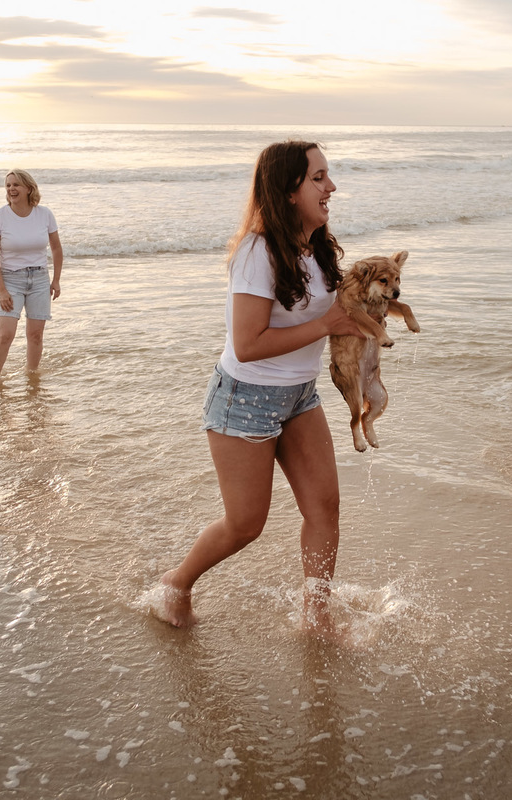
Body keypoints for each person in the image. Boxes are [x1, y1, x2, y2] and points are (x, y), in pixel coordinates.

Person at [158, 141, 364, 631]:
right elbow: (248, 343)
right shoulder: (258, 251)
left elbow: (333, 313)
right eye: (318, 178)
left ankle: (316, 616)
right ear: (288, 190)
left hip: (298, 395)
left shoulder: (315, 247)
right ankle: (176, 584)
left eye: (327, 177)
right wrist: (328, 324)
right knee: (246, 525)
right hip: (244, 400)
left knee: (324, 508)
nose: (330, 187)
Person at [0, 169, 63, 378]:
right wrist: (2, 290)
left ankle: (32, 377)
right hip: (10, 279)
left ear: (29, 188)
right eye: (8, 185)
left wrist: (56, 280)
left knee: (36, 335)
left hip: (39, 279)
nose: (11, 189)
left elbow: (56, 248)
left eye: (16, 185)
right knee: (5, 335)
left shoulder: (44, 214)